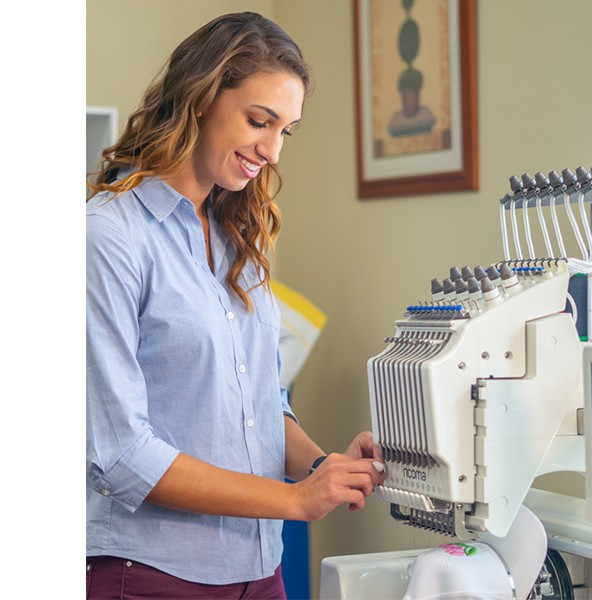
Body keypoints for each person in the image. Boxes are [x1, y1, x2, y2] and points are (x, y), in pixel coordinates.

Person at [86, 12, 383, 599]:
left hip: (258, 571)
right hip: (152, 577)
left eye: (285, 131)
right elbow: (121, 455)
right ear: (200, 98)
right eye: (258, 121)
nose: (271, 150)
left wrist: (322, 470)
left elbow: (262, 403)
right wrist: (296, 499)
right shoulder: (109, 238)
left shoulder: (236, 238)